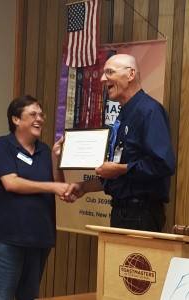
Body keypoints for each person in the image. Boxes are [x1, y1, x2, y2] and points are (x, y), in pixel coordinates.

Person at [62, 53, 176, 232]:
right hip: (123, 211)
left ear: (130, 74)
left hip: (141, 214)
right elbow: (120, 174)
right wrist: (85, 187)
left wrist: (120, 169)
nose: (101, 78)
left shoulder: (149, 111)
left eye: (109, 72)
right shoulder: (124, 116)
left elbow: (163, 164)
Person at [0, 95, 69, 300]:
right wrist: (52, 186)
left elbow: (59, 185)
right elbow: (11, 183)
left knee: (28, 297)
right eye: (33, 114)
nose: (39, 119)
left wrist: (56, 158)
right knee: (1, 296)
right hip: (6, 239)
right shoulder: (3, 145)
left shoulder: (45, 151)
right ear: (16, 119)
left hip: (38, 238)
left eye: (41, 115)